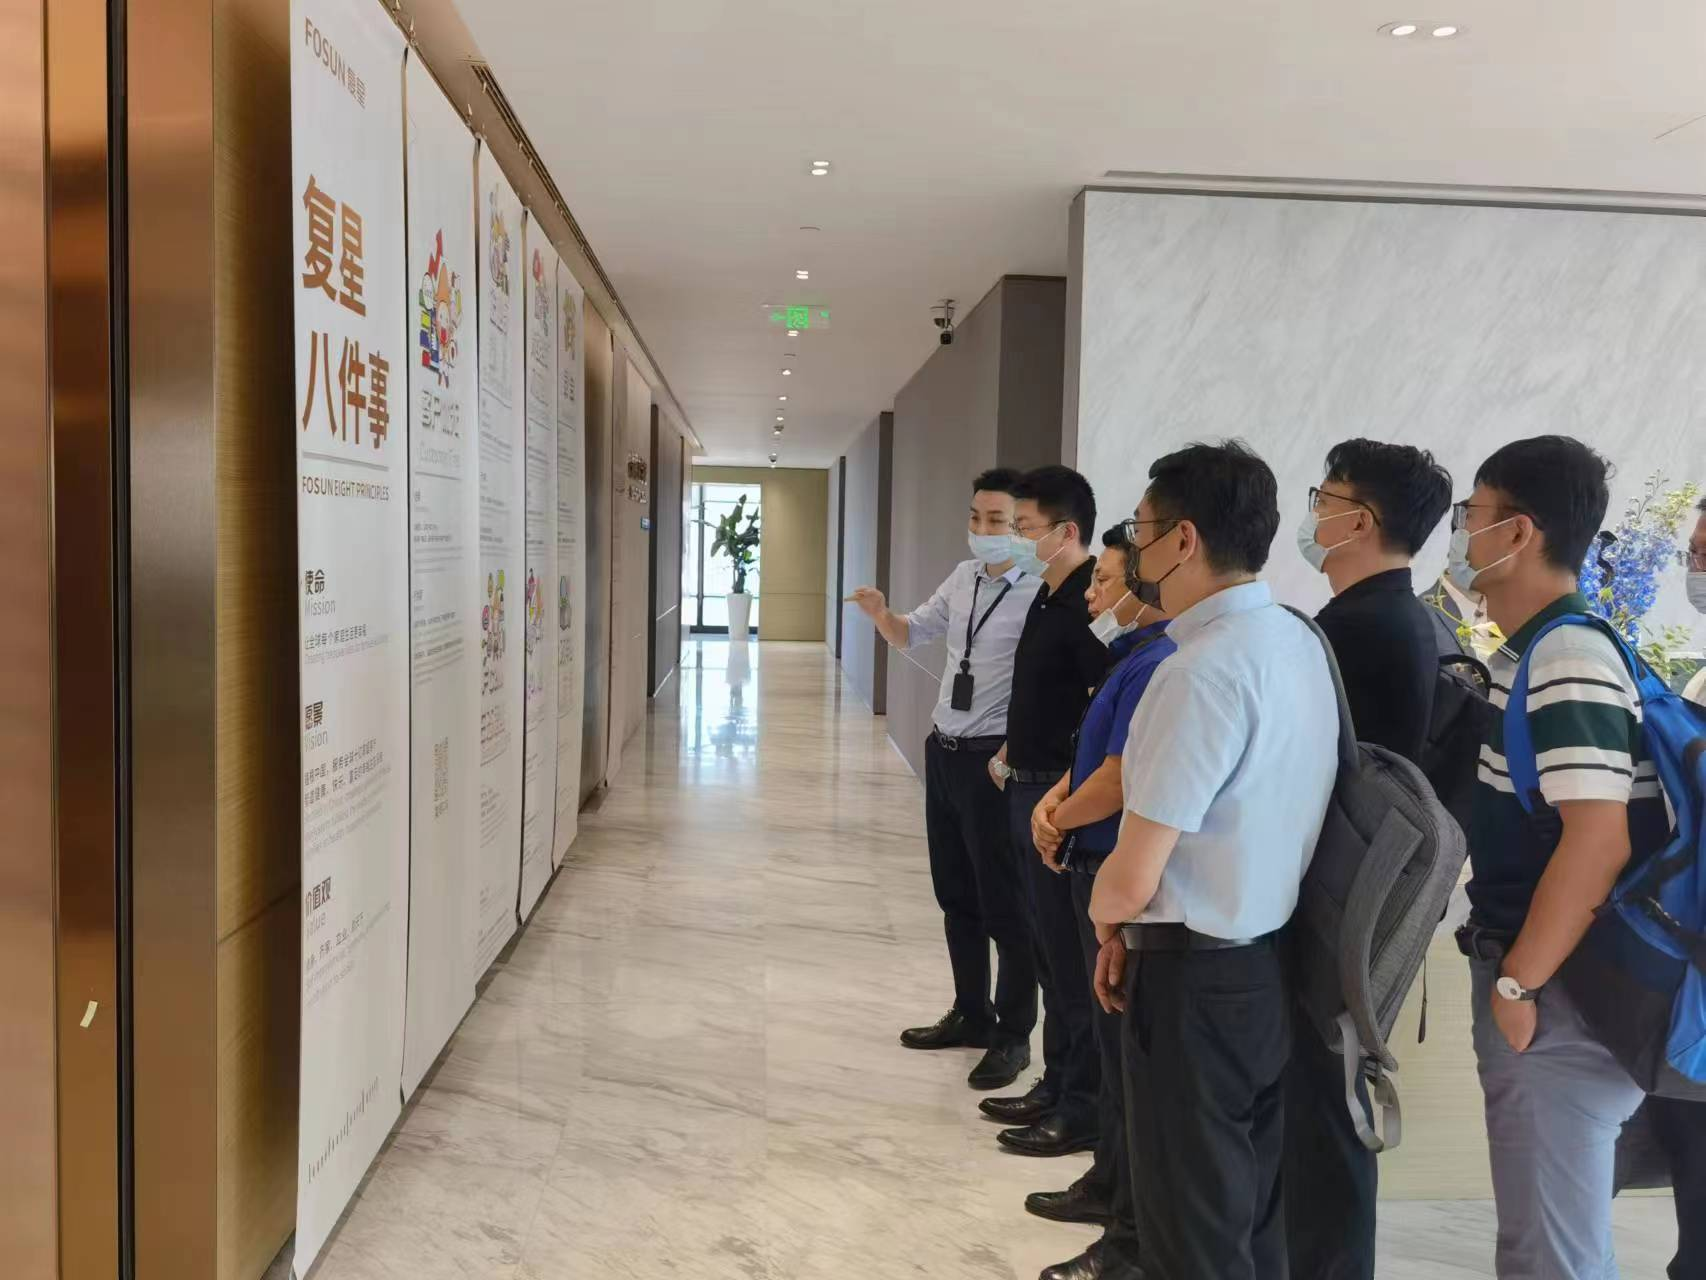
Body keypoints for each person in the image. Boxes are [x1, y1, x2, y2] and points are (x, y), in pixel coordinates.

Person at [1088, 440, 1339, 1280]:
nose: (1136, 549)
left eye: (1142, 531)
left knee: (1189, 1230)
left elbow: (1134, 871)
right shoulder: (1295, 641)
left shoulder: (1197, 672)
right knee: (1248, 1213)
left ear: (1184, 539)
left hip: (1193, 986)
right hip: (1266, 966)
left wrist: (1107, 917)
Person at [1449, 435, 1671, 1278]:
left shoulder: (1567, 657)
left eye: (1471, 514)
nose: (1462, 534)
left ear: (1518, 531)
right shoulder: (1538, 650)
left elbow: (1598, 839)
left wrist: (1519, 983)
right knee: (1541, 1241)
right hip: (1555, 986)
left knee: (1553, 1254)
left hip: (1562, 993)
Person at [1285, 438, 1452, 1280]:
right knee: (1324, 1101)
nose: (1314, 514)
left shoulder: (1356, 629)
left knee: (1322, 1107)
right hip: (1354, 893)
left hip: (1334, 897)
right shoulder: (1400, 615)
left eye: (1326, 498)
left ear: (1361, 520)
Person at [849, 468, 1042, 1090]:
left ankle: (1013, 1034)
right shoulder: (963, 578)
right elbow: (912, 632)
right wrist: (881, 614)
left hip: (994, 761)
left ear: (1023, 527)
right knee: (955, 895)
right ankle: (970, 1012)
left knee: (1006, 904)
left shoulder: (1040, 589)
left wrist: (1013, 751)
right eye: (976, 516)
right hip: (946, 750)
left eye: (998, 520)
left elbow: (1048, 686)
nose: (983, 529)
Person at [1026, 526, 1174, 1280]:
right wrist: (1056, 802)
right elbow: (1091, 753)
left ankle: (1125, 1218)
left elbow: (1119, 778)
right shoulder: (1129, 657)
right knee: (1107, 1047)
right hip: (1087, 854)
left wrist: (1057, 817)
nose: (1093, 593)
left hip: (1112, 866)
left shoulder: (1163, 663)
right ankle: (1106, 1183)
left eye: (1105, 580)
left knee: (1121, 1055)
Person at [981, 465, 1110, 1158]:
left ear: (1066, 532)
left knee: (1066, 953)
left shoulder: (1089, 603)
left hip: (1058, 799)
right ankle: (1056, 1083)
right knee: (1045, 946)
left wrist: (1063, 792)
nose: (1015, 539)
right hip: (1024, 784)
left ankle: (1080, 1104)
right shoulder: (1046, 593)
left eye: (1024, 528)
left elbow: (1098, 709)